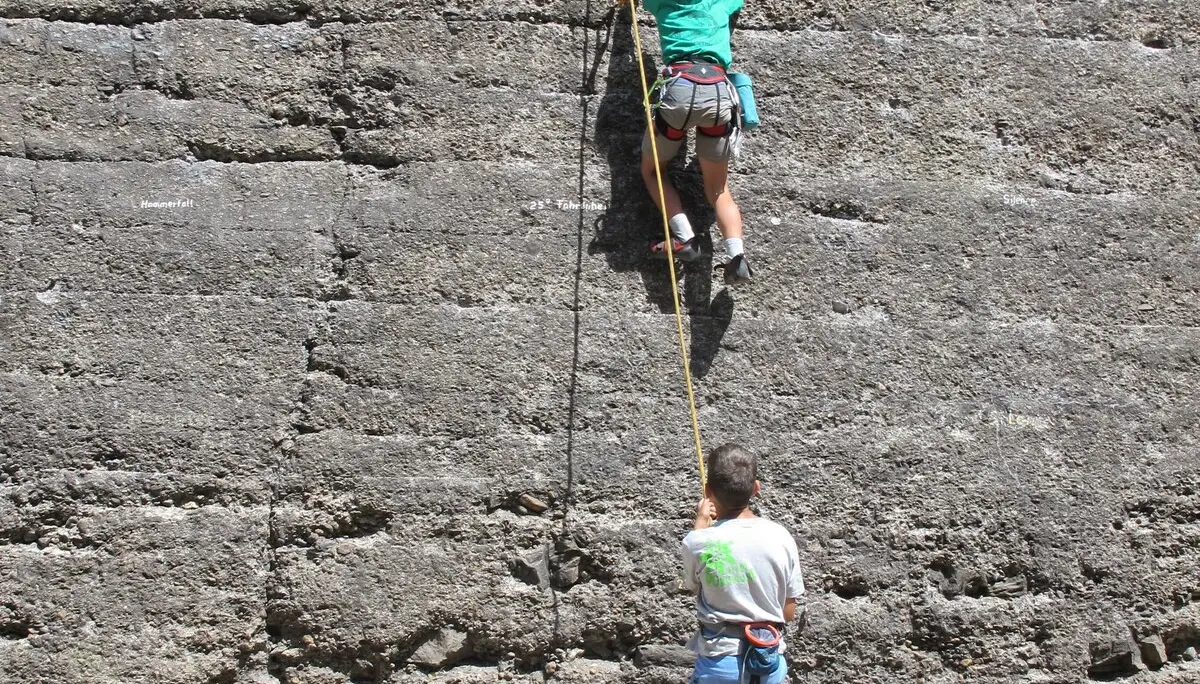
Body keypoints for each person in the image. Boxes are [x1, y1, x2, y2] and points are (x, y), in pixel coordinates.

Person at [626, 0, 753, 284]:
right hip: (720, 93)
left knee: (653, 172)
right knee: (718, 189)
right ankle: (737, 256)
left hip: (680, 90)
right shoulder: (720, 2)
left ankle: (685, 239)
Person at [681, 443, 806, 683]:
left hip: (719, 661)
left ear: (708, 492)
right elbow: (788, 612)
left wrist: (700, 526)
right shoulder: (781, 537)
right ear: (756, 488)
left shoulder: (697, 541)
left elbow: (693, 586)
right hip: (767, 661)